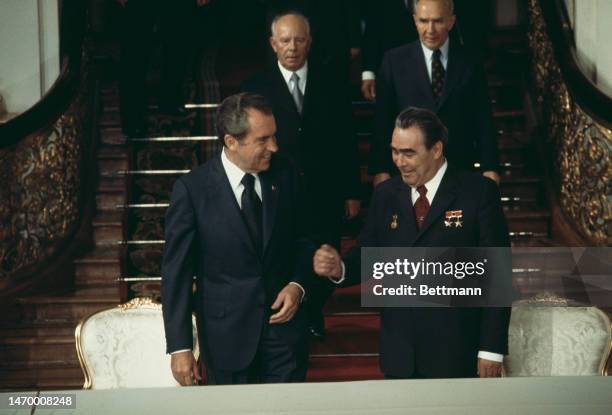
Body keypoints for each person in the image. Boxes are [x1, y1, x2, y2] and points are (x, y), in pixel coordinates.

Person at [314, 107, 511, 379]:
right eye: (395, 151)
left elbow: (497, 275)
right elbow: (369, 255)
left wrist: (491, 349)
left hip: (457, 350)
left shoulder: (477, 193)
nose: (399, 161)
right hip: (400, 351)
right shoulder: (385, 195)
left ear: (437, 149)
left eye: (409, 153)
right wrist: (340, 268)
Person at [161, 93, 314, 385]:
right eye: (263, 139)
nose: (274, 146)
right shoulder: (192, 190)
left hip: (284, 336)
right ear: (231, 142)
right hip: (225, 339)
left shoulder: (287, 173)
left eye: (274, 136)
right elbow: (176, 273)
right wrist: (180, 347)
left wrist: (298, 285)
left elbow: (304, 239)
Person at [242, 12, 362, 338]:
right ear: (273, 44)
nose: (292, 47)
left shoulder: (331, 81)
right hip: (278, 190)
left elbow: (346, 139)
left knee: (324, 252)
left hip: (325, 189)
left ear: (309, 42)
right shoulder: (256, 88)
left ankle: (314, 313)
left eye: (298, 39)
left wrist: (352, 191)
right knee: (288, 249)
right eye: (284, 40)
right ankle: (293, 310)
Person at [370, 0, 500, 188]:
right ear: (415, 21)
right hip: (409, 174)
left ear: (451, 22)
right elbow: (382, 121)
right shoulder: (394, 62)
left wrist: (490, 167)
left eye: (438, 21)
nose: (430, 29)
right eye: (424, 21)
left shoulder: (470, 62)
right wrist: (380, 169)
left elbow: (483, 119)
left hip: (458, 170)